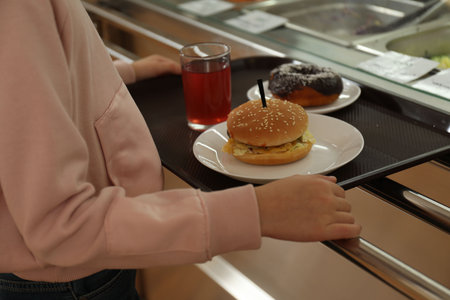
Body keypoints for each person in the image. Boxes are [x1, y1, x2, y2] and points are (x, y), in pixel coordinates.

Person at [0, 1, 361, 299]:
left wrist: (118, 74)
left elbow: (24, 82)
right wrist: (259, 211)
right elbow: (61, 227)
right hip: (62, 283)